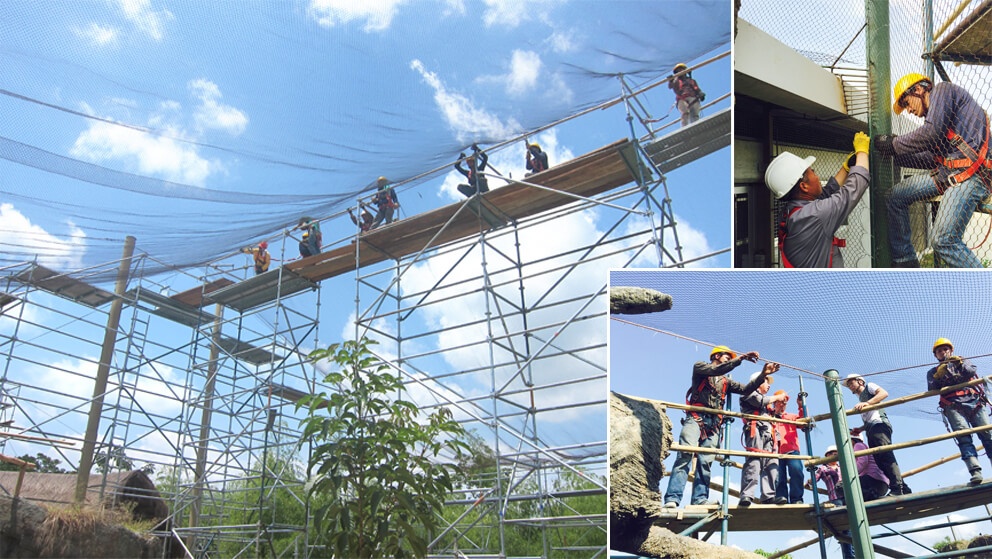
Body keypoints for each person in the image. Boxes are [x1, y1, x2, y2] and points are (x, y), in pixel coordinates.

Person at [875, 73, 991, 268]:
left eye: (906, 102)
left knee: (943, 240)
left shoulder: (943, 90)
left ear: (918, 90)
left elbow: (930, 133)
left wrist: (894, 144)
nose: (908, 110)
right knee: (895, 197)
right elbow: (930, 159)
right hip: (948, 175)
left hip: (973, 177)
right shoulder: (937, 118)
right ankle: (906, 262)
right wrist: (894, 153)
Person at [663, 345, 779, 508]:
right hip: (696, 418)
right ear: (716, 356)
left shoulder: (726, 382)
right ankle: (672, 498)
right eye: (727, 356)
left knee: (705, 461)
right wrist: (740, 359)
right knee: (685, 455)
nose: (729, 359)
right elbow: (716, 371)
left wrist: (763, 375)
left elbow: (746, 389)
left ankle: (699, 499)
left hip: (714, 423)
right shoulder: (700, 367)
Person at [763, 132, 871, 267]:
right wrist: (862, 151)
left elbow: (824, 195)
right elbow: (856, 186)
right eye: (813, 171)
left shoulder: (793, 212)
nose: (817, 176)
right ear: (804, 186)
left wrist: (846, 167)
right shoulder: (814, 216)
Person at [926, 337, 992, 485]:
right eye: (939, 351)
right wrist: (939, 375)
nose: (943, 352)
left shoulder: (962, 361)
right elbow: (932, 388)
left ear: (951, 350)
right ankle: (975, 470)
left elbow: (971, 371)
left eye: (945, 349)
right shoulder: (932, 372)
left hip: (974, 402)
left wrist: (959, 364)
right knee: (964, 437)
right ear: (936, 355)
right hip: (953, 406)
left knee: (988, 435)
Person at [843, 374, 911, 495]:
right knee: (879, 460)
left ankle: (897, 488)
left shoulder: (870, 387)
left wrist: (867, 403)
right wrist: (861, 429)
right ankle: (902, 487)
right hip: (871, 429)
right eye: (848, 385)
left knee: (885, 455)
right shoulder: (861, 399)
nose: (849, 386)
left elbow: (884, 393)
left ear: (860, 381)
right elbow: (870, 417)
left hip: (879, 425)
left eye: (851, 382)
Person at [738, 372, 788, 506]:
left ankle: (768, 496)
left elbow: (774, 415)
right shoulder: (748, 393)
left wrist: (778, 407)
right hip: (756, 431)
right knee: (754, 462)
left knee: (771, 465)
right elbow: (759, 401)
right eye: (766, 382)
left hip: (769, 434)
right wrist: (777, 397)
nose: (769, 386)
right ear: (757, 381)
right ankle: (747, 495)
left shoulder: (768, 404)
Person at [814, 446, 854, 559]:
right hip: (836, 498)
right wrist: (809, 481)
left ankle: (853, 555)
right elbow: (814, 479)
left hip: (848, 497)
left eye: (836, 453)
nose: (835, 455)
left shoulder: (842, 466)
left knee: (852, 527)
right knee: (845, 528)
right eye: (832, 453)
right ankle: (850, 556)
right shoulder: (823, 468)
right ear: (827, 455)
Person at [772, 390, 805, 504]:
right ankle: (782, 498)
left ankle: (796, 499)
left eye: (785, 403)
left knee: (796, 472)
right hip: (775, 451)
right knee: (778, 477)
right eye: (781, 402)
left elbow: (803, 422)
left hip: (792, 450)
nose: (783, 405)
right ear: (774, 402)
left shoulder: (790, 416)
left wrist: (801, 406)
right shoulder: (769, 417)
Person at [668, 63, 705, 127]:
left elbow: (696, 88)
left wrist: (700, 93)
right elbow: (671, 86)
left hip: (693, 98)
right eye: (678, 70)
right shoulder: (676, 80)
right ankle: (684, 128)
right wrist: (670, 81)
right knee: (685, 113)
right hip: (682, 99)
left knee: (695, 114)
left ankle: (696, 126)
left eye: (682, 69)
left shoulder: (691, 80)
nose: (680, 71)